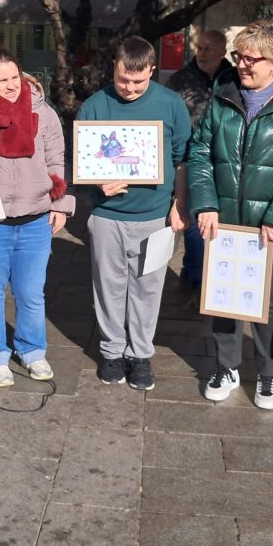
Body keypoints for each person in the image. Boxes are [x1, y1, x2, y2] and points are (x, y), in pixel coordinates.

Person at [187, 20, 273, 410]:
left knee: (269, 300)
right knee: (223, 294)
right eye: (239, 57)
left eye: (252, 59)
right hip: (225, 217)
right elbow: (200, 154)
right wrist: (207, 204)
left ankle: (267, 374)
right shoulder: (221, 101)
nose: (243, 65)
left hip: (272, 225)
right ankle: (226, 367)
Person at [77, 36, 192, 390]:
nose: (129, 88)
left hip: (154, 216)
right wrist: (96, 184)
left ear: (152, 71)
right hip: (107, 215)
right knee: (108, 287)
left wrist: (179, 204)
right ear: (114, 66)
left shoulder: (171, 104)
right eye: (123, 79)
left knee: (148, 289)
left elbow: (183, 160)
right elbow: (81, 164)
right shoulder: (94, 106)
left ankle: (140, 355)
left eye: (138, 82)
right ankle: (111, 352)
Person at [0, 47, 76, 387]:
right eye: (3, 80)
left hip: (35, 219)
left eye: (15, 77)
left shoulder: (43, 111)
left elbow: (56, 159)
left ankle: (32, 351)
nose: (12, 85)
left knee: (31, 293)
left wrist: (61, 203)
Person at [167, 29, 233, 289]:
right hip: (190, 160)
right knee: (195, 219)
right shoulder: (180, 81)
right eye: (200, 48)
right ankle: (195, 276)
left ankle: (214, 275)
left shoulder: (233, 80)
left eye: (208, 49)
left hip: (225, 160)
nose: (202, 54)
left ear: (222, 52)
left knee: (218, 219)